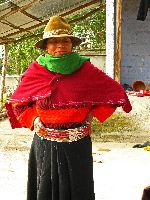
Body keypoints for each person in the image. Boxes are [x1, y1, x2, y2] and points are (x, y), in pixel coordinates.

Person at [5, 15, 132, 200]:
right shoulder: (35, 70)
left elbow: (115, 92)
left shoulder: (85, 69)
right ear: (46, 46)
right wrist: (33, 119)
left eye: (65, 40)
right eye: (54, 41)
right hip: (45, 144)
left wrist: (93, 112)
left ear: (72, 44)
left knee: (78, 189)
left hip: (77, 145)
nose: (60, 45)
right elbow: (18, 103)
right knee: (45, 189)